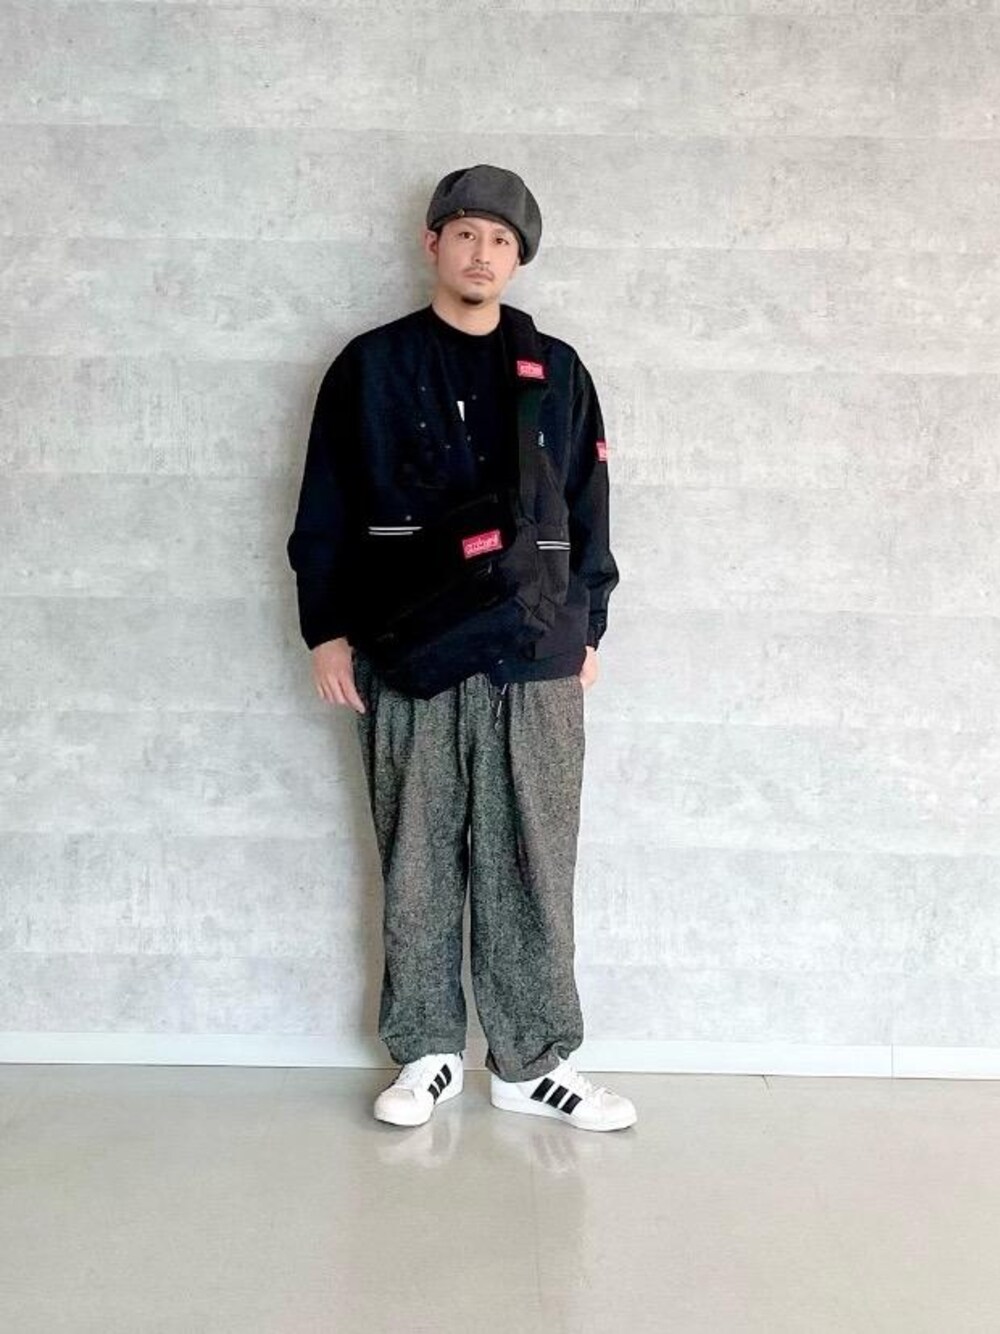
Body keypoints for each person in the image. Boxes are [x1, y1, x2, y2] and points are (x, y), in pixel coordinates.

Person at [286, 164, 637, 1133]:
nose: (484, 253)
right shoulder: (370, 366)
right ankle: (427, 1051)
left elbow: (589, 506)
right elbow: (325, 504)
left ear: (519, 260)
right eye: (468, 233)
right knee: (418, 854)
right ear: (432, 242)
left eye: (503, 240)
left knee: (535, 858)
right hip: (409, 648)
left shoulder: (555, 370)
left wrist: (589, 625)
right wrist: (326, 629)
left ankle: (532, 1062)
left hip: (536, 653)